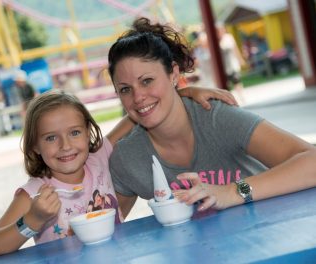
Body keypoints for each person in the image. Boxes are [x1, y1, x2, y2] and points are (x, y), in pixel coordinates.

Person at [0, 87, 234, 259]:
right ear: (34, 145)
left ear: (89, 132)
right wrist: (32, 221)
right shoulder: (34, 194)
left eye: (75, 133)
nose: (65, 145)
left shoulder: (97, 159)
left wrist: (185, 92)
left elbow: (139, 112)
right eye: (50, 138)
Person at [107, 17, 316, 219]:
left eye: (147, 81)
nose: (138, 97)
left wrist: (231, 192)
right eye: (125, 89)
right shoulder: (129, 157)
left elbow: (312, 161)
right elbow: (104, 224)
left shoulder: (214, 117)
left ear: (173, 73)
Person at [217, 24, 247, 104]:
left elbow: (235, 48)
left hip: (232, 63)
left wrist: (240, 59)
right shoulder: (216, 40)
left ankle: (241, 97)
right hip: (224, 66)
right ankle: (229, 100)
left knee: (237, 80)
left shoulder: (228, 37)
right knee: (227, 84)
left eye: (222, 29)